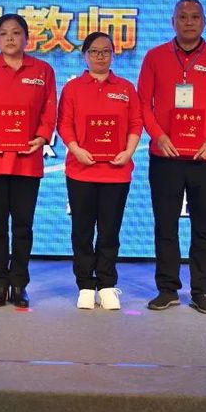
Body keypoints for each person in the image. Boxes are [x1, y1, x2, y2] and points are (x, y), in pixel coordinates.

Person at [137, 0, 206, 315]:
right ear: (173, 22)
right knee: (166, 225)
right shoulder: (155, 57)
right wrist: (159, 135)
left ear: (204, 22)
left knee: (203, 227)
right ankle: (167, 289)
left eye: (195, 17)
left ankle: (201, 290)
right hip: (166, 155)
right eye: (183, 16)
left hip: (205, 157)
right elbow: (143, 102)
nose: (189, 22)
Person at [0, 14, 56, 309]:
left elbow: (49, 110)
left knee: (23, 225)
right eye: (3, 33)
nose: (10, 38)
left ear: (27, 38)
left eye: (16, 33)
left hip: (28, 159)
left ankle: (19, 284)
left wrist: (42, 137)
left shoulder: (42, 70)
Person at [57, 32, 142, 311]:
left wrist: (128, 152)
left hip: (116, 171)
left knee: (109, 230)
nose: (100, 56)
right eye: (94, 51)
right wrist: (76, 150)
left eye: (106, 51)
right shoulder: (73, 88)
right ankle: (84, 284)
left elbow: (136, 123)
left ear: (113, 55)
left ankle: (106, 284)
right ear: (85, 55)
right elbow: (64, 124)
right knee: (82, 230)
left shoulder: (126, 88)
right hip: (81, 170)